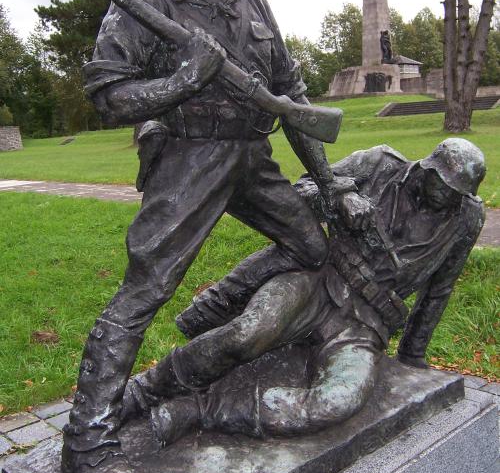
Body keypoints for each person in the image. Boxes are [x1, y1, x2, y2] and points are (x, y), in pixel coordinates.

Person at [62, 0, 361, 473]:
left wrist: (329, 185)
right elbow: (107, 95)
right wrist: (183, 82)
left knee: (311, 246)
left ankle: (233, 321)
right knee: (145, 290)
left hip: (252, 156)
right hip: (188, 159)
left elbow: (293, 98)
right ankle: (88, 438)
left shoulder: (251, 1)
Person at [121, 138, 486, 442]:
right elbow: (301, 190)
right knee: (246, 334)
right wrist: (340, 200)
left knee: (337, 401)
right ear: (426, 169)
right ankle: (142, 391)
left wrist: (413, 356)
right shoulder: (379, 163)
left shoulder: (467, 217)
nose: (447, 197)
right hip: (318, 281)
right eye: (443, 185)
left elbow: (440, 288)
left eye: (457, 193)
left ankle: (201, 411)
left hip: (365, 326)